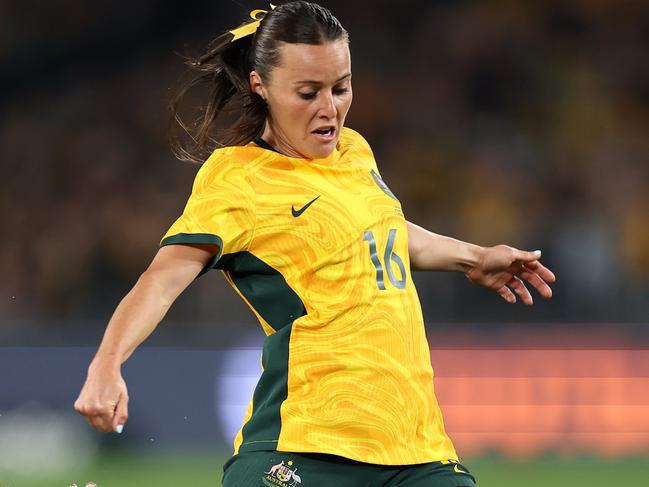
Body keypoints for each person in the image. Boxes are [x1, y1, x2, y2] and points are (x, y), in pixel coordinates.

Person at [74, 2, 556, 486]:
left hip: (417, 448)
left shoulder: (354, 152)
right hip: (303, 447)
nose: (330, 109)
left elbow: (381, 232)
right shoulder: (238, 179)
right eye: (308, 93)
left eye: (341, 88)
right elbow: (161, 280)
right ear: (260, 85)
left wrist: (473, 257)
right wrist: (107, 364)